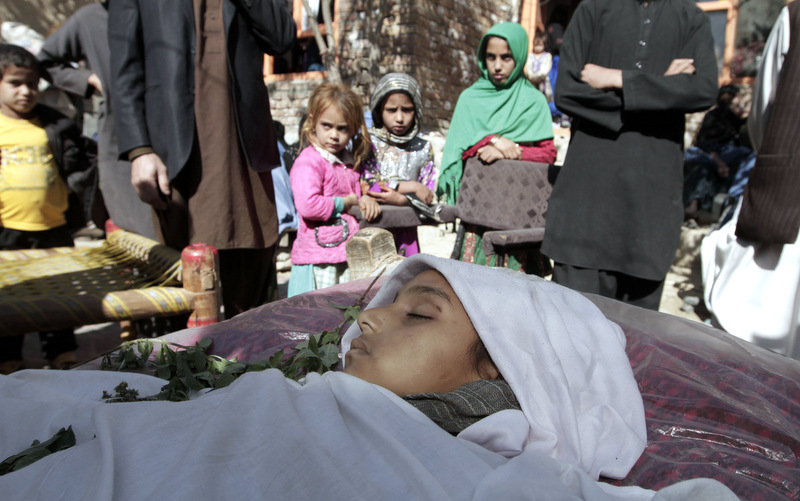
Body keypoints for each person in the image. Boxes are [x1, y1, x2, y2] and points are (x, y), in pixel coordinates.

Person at [0, 255, 739, 499]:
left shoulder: (498, 479)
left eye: (420, 314)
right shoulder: (289, 392)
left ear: (508, 371)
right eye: (383, 308)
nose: (370, 322)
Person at [108, 0, 295, 317]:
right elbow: (124, 70)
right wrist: (139, 149)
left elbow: (281, 38)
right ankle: (182, 364)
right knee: (178, 290)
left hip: (244, 147)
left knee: (253, 295)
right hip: (173, 147)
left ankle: (254, 363)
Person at [541, 0, 718, 310]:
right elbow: (568, 90)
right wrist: (664, 86)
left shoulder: (690, 18)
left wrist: (618, 79)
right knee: (570, 336)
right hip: (585, 208)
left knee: (636, 346)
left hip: (649, 215)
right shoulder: (593, 10)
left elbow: (703, 88)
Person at [701, 3, 800, 361]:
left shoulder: (794, 16)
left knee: (753, 351)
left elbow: (763, 117)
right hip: (784, 205)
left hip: (786, 193)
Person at [0, 43, 92, 373]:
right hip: (7, 230)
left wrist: (75, 184)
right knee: (11, 296)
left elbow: (82, 161)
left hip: (53, 225)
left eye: (33, 83)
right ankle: (8, 355)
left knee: (59, 292)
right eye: (15, 83)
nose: (26, 91)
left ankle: (61, 353)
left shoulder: (55, 125)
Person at [437, 22, 557, 271]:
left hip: (520, 210)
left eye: (507, 57)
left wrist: (514, 150)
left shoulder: (533, 101)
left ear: (520, 56)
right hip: (479, 212)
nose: (498, 66)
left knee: (518, 293)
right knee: (471, 288)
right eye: (491, 57)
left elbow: (547, 154)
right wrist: (493, 139)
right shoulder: (470, 99)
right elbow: (459, 151)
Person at [37, 0, 155, 240]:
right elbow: (46, 62)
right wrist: (89, 79)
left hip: (170, 127)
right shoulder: (90, 18)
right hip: (119, 132)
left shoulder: (159, 10)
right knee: (138, 228)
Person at [287, 82, 380, 297]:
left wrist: (364, 199)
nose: (334, 135)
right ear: (313, 122)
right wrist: (344, 203)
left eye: (342, 128)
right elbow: (308, 205)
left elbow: (357, 194)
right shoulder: (309, 162)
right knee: (316, 318)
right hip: (318, 259)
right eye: (326, 126)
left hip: (346, 255)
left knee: (343, 317)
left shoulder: (348, 162)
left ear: (354, 128)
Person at [362, 72, 436, 256]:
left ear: (417, 110)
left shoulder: (423, 148)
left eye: (407, 109)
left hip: (407, 231)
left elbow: (427, 193)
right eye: (391, 110)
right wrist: (409, 186)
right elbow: (366, 184)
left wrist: (403, 200)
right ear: (379, 110)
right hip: (374, 226)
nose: (400, 118)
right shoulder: (369, 144)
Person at [682, 85, 755, 224]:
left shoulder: (736, 119)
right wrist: (719, 162)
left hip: (729, 154)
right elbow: (705, 144)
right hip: (708, 153)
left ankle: (733, 201)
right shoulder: (714, 117)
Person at [526, 31, 552, 101]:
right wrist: (532, 76)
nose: (537, 48)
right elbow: (528, 68)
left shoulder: (547, 56)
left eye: (540, 45)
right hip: (532, 82)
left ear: (544, 45)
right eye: (536, 45)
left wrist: (539, 77)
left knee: (542, 99)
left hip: (542, 82)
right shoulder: (530, 56)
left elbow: (547, 69)